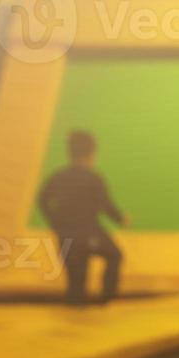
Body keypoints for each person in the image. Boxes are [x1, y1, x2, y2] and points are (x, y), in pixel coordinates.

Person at [36, 130, 129, 306]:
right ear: (91, 153)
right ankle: (107, 300)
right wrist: (121, 218)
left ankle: (72, 321)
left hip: (66, 237)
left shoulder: (58, 177)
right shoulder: (93, 178)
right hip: (90, 235)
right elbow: (105, 205)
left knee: (76, 284)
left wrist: (55, 223)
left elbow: (42, 200)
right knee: (115, 255)